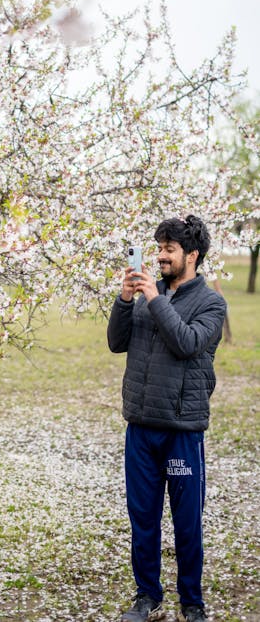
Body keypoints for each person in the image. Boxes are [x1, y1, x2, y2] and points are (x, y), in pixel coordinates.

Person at [107, 215, 227, 622]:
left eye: (168, 249)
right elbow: (116, 342)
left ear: (191, 255)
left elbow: (187, 342)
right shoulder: (146, 294)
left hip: (180, 431)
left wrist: (154, 301)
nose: (159, 256)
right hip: (140, 426)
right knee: (142, 518)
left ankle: (191, 603)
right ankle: (147, 597)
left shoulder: (211, 303)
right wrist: (125, 300)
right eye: (158, 248)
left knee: (187, 522)